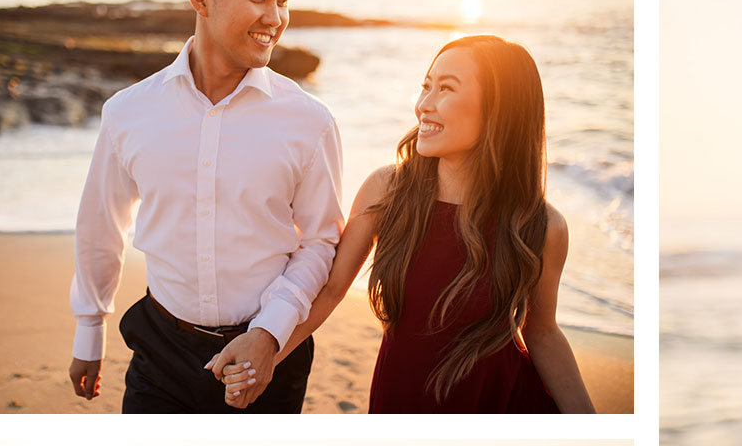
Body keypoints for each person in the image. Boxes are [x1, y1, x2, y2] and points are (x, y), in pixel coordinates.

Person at [228, 35, 595, 412]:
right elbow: (333, 288)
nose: (424, 105)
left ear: (500, 110)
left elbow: (542, 331)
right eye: (426, 86)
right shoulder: (387, 191)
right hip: (401, 398)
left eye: (446, 89)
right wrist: (266, 354)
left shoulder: (542, 227)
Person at [69, 0, 341, 413]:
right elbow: (100, 224)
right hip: (159, 351)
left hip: (269, 355)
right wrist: (90, 328)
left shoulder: (310, 121)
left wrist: (270, 332)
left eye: (283, 0)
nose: (275, 18)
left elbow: (321, 241)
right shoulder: (128, 112)